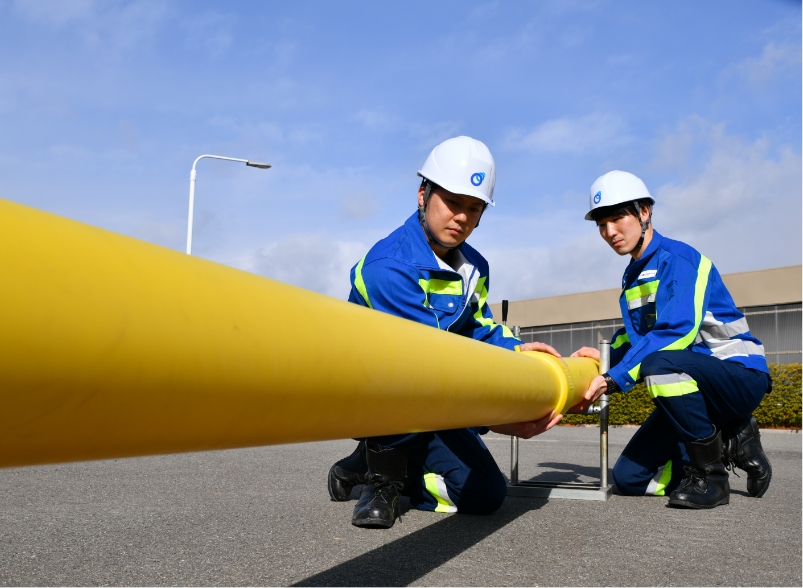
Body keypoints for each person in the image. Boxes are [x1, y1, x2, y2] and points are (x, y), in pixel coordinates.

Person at [328, 136, 562, 528]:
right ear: (423, 194)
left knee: (485, 495)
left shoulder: (474, 266)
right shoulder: (387, 266)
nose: (463, 218)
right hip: (381, 397)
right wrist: (497, 417)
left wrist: (518, 351)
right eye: (453, 202)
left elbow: (479, 327)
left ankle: (364, 462)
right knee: (401, 381)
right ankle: (382, 477)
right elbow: (427, 358)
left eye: (475, 208)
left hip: (432, 396)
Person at [570, 170, 772, 509]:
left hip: (738, 375)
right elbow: (642, 334)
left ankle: (711, 477)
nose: (609, 232)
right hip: (691, 382)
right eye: (601, 224)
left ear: (644, 212)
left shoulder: (679, 260)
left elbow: (675, 331)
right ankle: (728, 433)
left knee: (657, 364)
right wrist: (607, 357)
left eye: (618, 218)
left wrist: (613, 377)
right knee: (628, 479)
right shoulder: (634, 272)